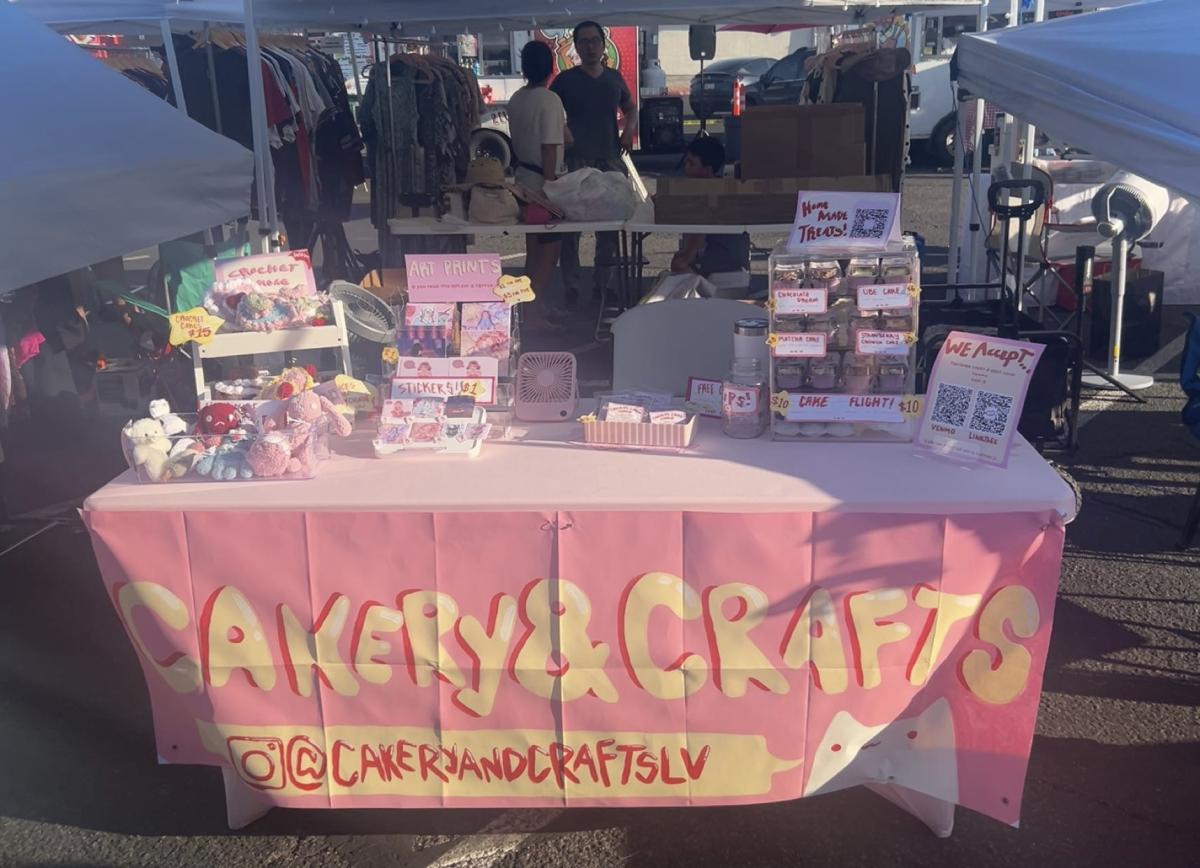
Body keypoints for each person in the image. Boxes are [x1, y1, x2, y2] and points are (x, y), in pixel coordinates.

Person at [551, 21, 639, 309]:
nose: (590, 47)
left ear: (603, 45)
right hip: (576, 161)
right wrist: (564, 131)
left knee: (609, 229)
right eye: (584, 41)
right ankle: (572, 285)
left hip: (610, 159)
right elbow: (551, 112)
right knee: (570, 229)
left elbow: (631, 108)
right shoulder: (565, 81)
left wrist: (628, 130)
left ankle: (604, 284)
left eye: (594, 41)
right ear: (576, 47)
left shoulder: (614, 78)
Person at [507, 40, 569, 328]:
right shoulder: (550, 99)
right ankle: (531, 311)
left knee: (533, 250)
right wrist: (551, 185)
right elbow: (549, 146)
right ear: (552, 68)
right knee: (549, 251)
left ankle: (531, 307)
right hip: (544, 182)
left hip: (523, 179)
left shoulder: (516, 98)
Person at [670, 137, 750, 279]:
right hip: (736, 260)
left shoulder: (707, 194)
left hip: (722, 261)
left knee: (677, 267)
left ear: (707, 170)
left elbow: (699, 231)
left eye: (691, 163)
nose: (686, 167)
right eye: (685, 162)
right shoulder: (723, 187)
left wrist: (685, 258)